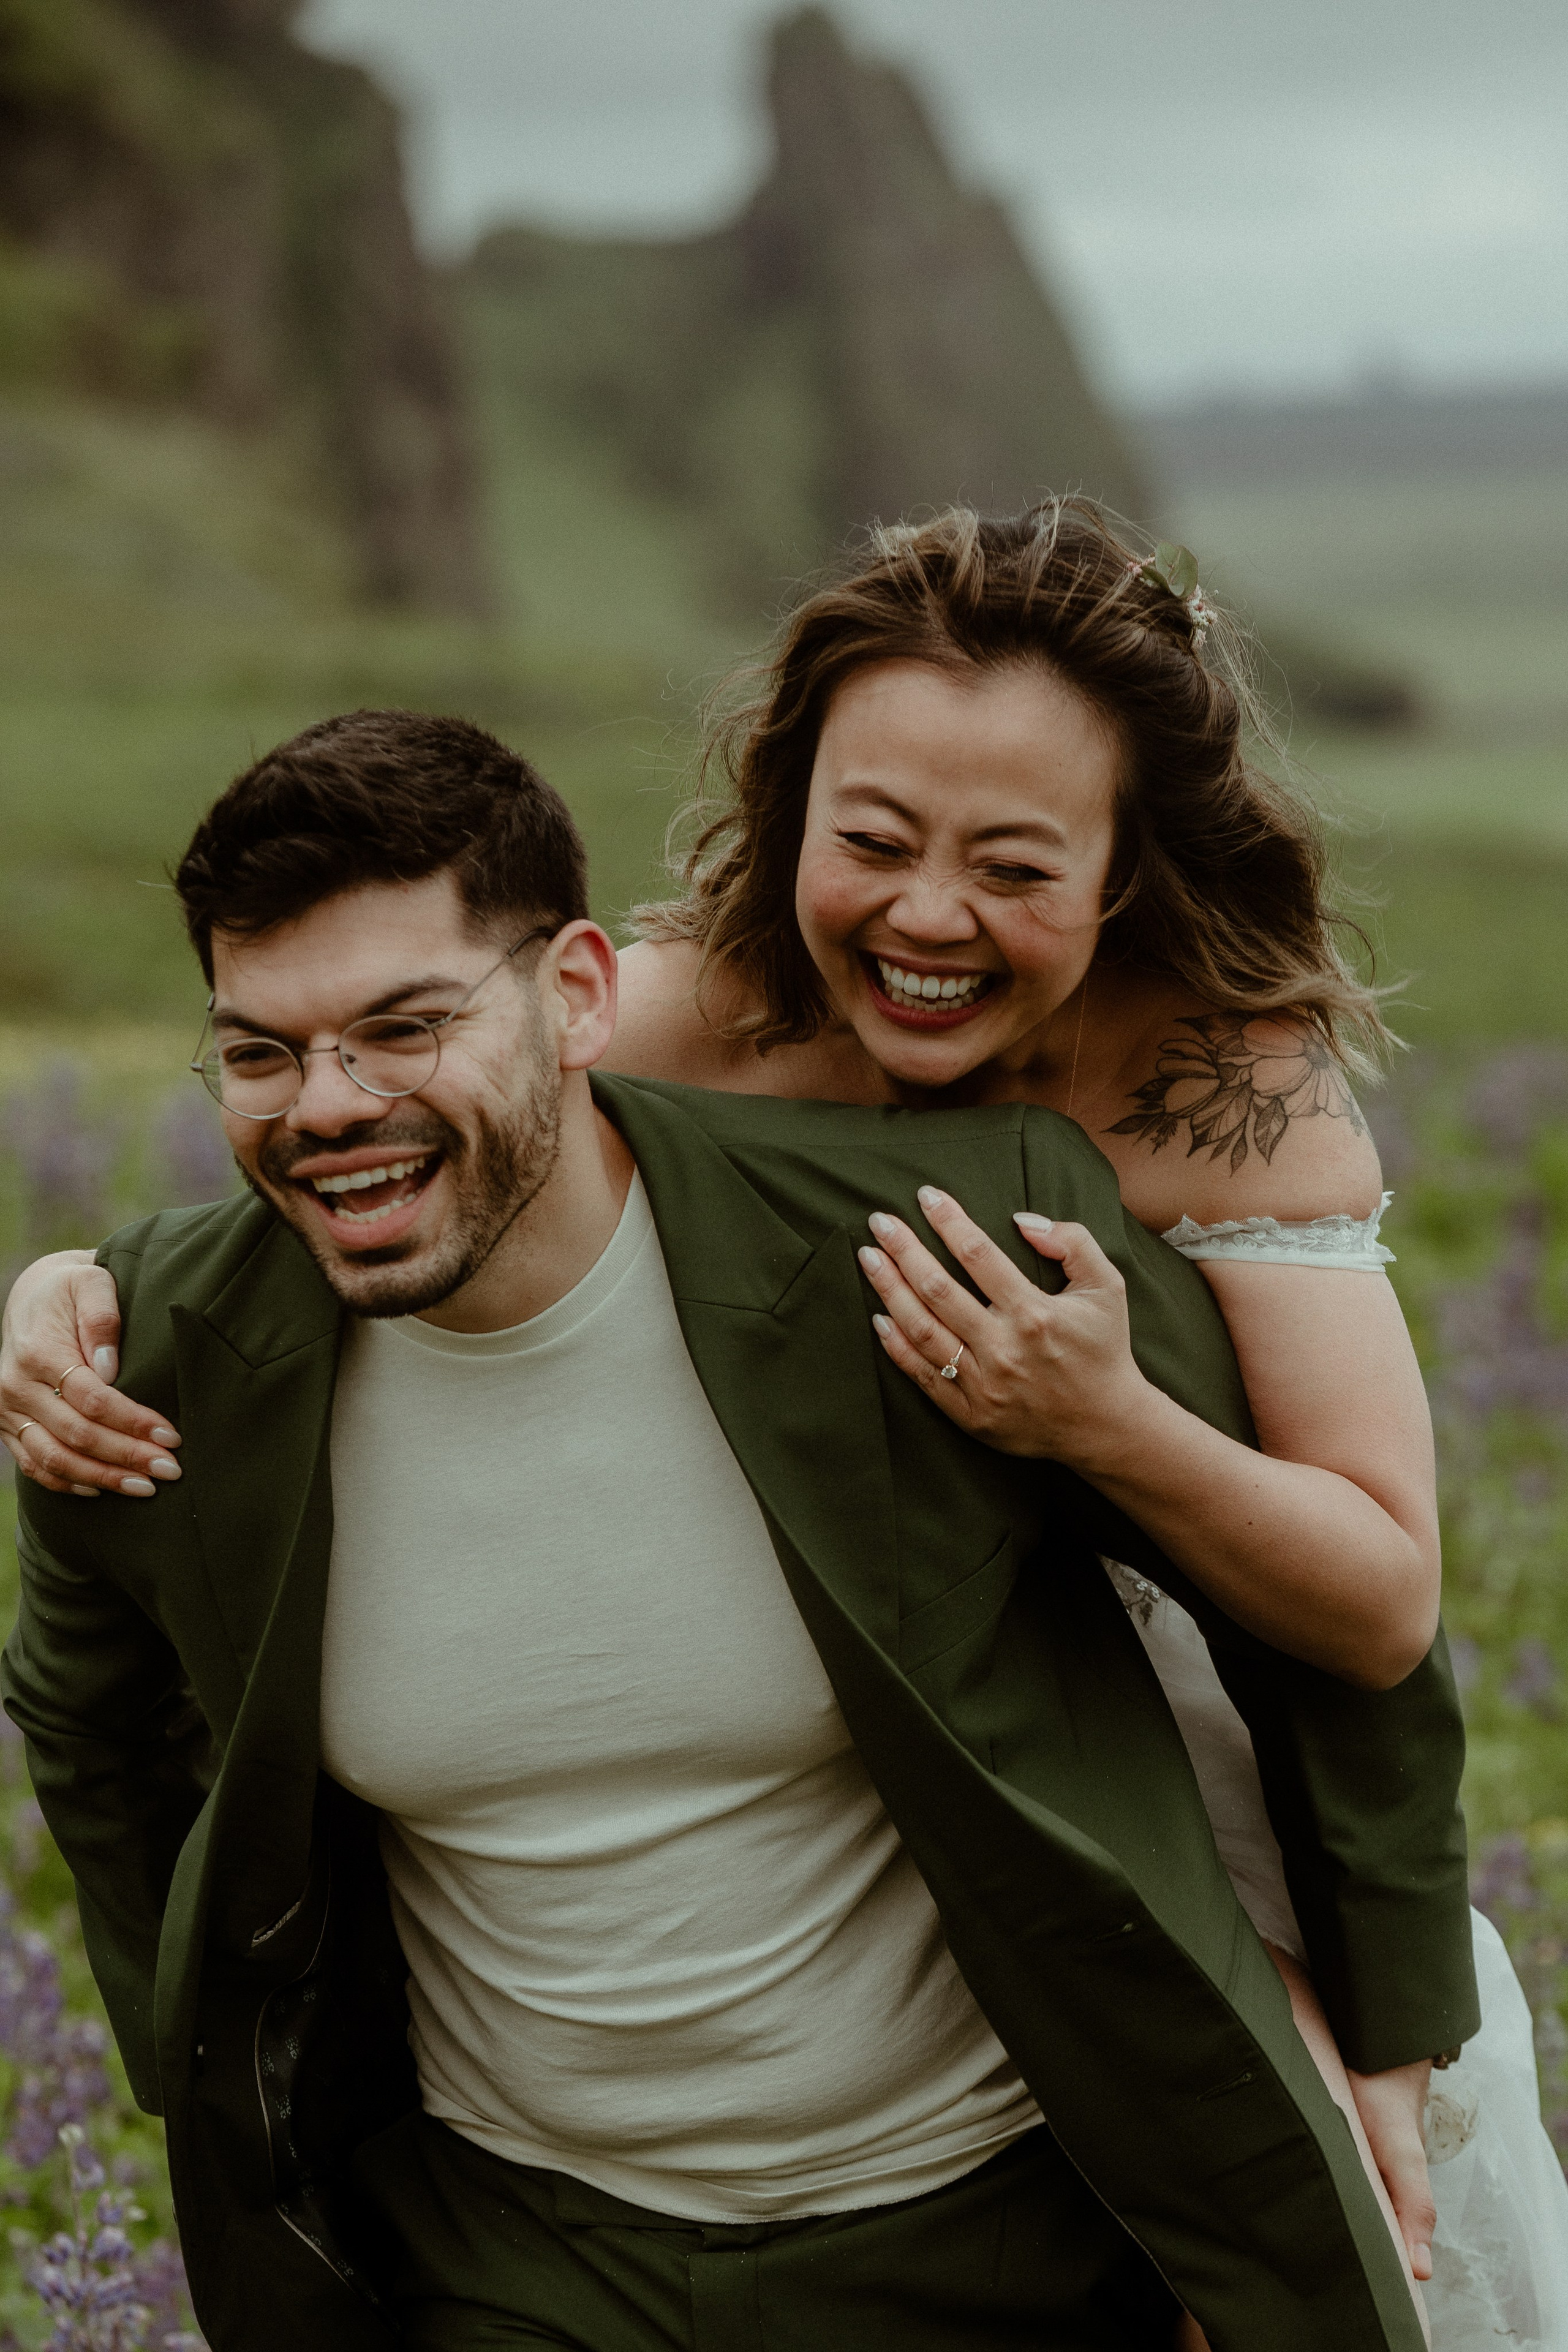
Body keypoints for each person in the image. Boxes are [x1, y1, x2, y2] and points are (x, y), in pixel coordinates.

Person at [0, 709, 1479, 2351]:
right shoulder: (154, 1362)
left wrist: (1391, 2018)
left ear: (576, 994)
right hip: (519, 2261)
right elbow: (89, 1714)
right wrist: (204, 2048)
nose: (327, 1104)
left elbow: (1315, 1616)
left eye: (404, 1030)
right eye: (260, 1052)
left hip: (1013, 2231)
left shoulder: (936, 1247)